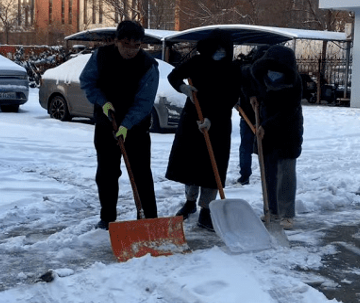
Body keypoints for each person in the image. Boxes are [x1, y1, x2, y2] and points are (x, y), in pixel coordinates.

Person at [79, 20, 160, 230]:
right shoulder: (101, 56)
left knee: (141, 173)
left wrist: (126, 125)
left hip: (137, 128)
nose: (131, 50)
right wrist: (103, 102)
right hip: (107, 124)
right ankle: (108, 217)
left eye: (137, 45)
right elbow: (87, 82)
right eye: (126, 44)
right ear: (117, 41)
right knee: (106, 173)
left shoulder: (148, 65)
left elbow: (144, 102)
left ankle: (149, 218)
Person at [164, 29, 242, 230]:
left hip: (219, 122)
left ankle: (206, 209)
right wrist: (184, 89)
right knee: (190, 164)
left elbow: (231, 98)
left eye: (223, 49)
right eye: (215, 49)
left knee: (211, 168)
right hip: (192, 119)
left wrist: (211, 119)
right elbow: (174, 76)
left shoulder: (232, 69)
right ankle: (190, 202)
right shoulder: (197, 63)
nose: (219, 52)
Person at [246, 45, 304, 230]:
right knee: (269, 173)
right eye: (270, 69)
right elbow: (245, 80)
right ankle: (272, 211)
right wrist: (251, 95)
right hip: (266, 131)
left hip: (288, 131)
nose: (273, 74)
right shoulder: (261, 76)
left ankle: (287, 214)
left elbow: (289, 110)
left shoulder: (294, 82)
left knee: (285, 173)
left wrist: (266, 126)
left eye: (277, 70)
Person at [235, 46, 268, 186]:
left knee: (258, 146)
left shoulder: (263, 72)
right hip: (249, 114)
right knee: (247, 146)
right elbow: (241, 88)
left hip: (263, 116)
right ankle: (246, 175)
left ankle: (261, 175)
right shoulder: (248, 71)